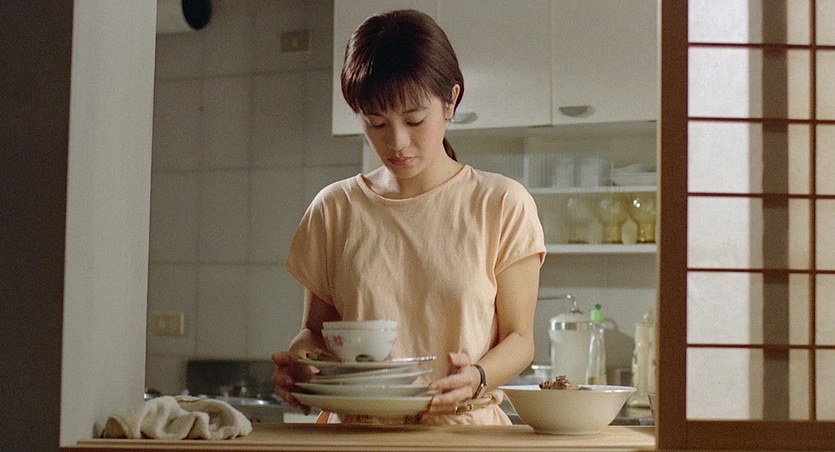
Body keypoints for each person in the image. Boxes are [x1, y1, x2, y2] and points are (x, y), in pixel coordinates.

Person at [271, 9, 546, 425]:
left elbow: (520, 338)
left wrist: (478, 376)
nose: (397, 142)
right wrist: (302, 364)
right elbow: (315, 334)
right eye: (376, 123)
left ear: (450, 100)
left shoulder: (501, 204)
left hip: (464, 435)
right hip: (357, 436)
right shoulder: (335, 209)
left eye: (414, 119)